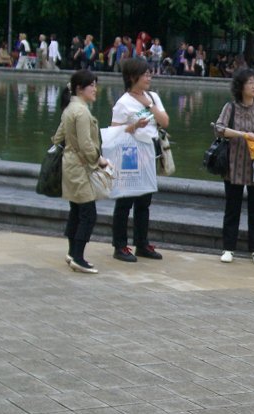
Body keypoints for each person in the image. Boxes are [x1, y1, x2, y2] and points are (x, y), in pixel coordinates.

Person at [111, 57, 169, 263]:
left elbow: (165, 121)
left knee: (144, 201)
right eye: (145, 74)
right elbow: (114, 132)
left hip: (149, 151)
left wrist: (150, 105)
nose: (148, 77)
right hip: (130, 153)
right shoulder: (123, 103)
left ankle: (142, 243)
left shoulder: (152, 96)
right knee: (125, 200)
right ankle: (119, 245)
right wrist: (134, 126)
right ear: (132, 77)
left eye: (149, 73)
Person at [52, 70, 109, 274]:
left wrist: (71, 147)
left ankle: (72, 252)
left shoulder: (69, 109)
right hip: (79, 167)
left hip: (70, 165)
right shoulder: (82, 111)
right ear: (79, 88)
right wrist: (99, 159)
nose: (95, 89)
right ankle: (78, 256)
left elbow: (57, 137)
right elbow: (86, 145)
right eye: (91, 85)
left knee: (76, 210)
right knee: (88, 213)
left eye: (95, 84)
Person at [214, 68, 254, 265]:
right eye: (250, 83)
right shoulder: (231, 107)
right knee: (232, 207)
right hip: (234, 164)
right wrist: (243, 134)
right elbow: (219, 129)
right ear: (241, 87)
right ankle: (228, 248)